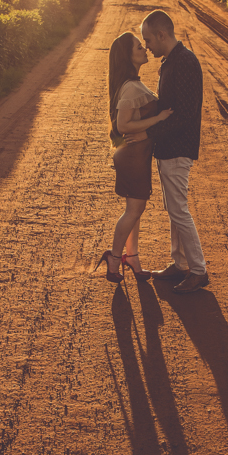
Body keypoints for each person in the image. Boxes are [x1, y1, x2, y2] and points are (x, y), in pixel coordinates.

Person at [132, 9, 208, 294]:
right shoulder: (171, 61)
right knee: (173, 210)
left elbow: (184, 115)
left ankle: (198, 270)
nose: (147, 46)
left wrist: (147, 132)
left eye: (148, 40)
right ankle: (180, 263)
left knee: (179, 211)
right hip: (169, 149)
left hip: (178, 148)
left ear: (162, 35)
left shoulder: (185, 63)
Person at [96, 32, 173, 283]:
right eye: (140, 47)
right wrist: (158, 119)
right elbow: (123, 126)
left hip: (137, 156)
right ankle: (114, 258)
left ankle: (133, 257)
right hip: (131, 156)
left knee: (134, 210)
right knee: (134, 209)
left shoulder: (133, 83)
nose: (145, 49)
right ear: (128, 56)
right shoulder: (130, 87)